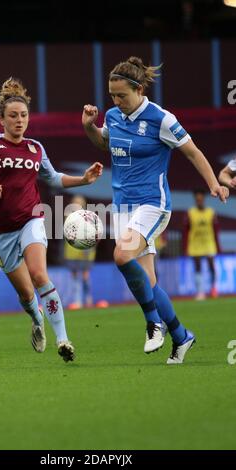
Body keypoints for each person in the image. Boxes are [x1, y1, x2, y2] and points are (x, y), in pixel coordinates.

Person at [82, 56, 229, 364]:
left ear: (138, 89)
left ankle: (153, 324)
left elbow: (192, 151)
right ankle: (181, 335)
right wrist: (89, 128)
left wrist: (213, 184)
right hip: (123, 206)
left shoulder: (161, 119)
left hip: (153, 204)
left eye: (122, 95)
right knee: (148, 281)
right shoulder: (112, 115)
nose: (116, 100)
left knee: (121, 255)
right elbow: (104, 145)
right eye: (112, 95)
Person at [0, 77, 103, 362]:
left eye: (23, 116)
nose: (19, 121)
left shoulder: (36, 148)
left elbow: (53, 178)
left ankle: (64, 340)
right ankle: (36, 318)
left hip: (31, 220)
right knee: (26, 294)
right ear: (2, 120)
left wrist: (84, 179)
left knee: (40, 275)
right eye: (13, 116)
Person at [183, 189, 220, 300]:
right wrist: (185, 247)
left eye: (201, 199)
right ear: (195, 200)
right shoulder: (190, 213)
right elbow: (186, 231)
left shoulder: (211, 212)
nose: (199, 201)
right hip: (195, 244)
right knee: (197, 267)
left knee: (211, 266)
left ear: (203, 199)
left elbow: (216, 230)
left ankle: (213, 288)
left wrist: (218, 246)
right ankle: (200, 292)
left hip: (209, 242)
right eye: (197, 199)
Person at [64, 195, 96, 309]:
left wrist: (88, 249)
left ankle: (88, 299)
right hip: (71, 253)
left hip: (85, 253)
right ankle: (77, 301)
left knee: (85, 276)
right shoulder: (68, 218)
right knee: (74, 276)